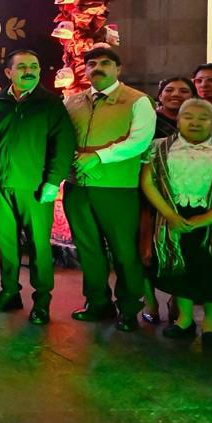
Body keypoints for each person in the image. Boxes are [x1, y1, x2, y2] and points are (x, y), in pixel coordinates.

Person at [64, 45, 155, 331]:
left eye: (105, 63)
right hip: (77, 188)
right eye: (91, 63)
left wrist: (99, 156)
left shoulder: (137, 101)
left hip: (117, 188)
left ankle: (129, 308)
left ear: (118, 69)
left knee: (123, 251)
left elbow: (139, 141)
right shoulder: (73, 101)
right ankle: (97, 304)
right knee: (89, 248)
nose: (98, 68)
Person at [0, 50, 76, 324]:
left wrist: (52, 181)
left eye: (33, 66)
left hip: (36, 189)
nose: (29, 71)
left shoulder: (50, 104)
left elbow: (64, 144)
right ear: (8, 73)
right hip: (3, 185)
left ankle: (42, 301)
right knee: (8, 245)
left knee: (38, 247)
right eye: (22, 66)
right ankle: (9, 292)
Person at [141, 98, 212, 349]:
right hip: (172, 216)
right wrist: (170, 215)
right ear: (178, 119)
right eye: (188, 116)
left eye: (203, 118)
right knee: (180, 267)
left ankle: (211, 323)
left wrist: (207, 218)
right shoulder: (159, 147)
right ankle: (184, 319)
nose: (195, 122)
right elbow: (148, 182)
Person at [143, 76, 196, 323]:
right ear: (160, 94)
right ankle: (150, 302)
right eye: (170, 90)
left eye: (184, 90)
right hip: (145, 195)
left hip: (185, 199)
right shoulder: (147, 121)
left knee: (180, 250)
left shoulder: (199, 123)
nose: (176, 94)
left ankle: (178, 298)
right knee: (143, 251)